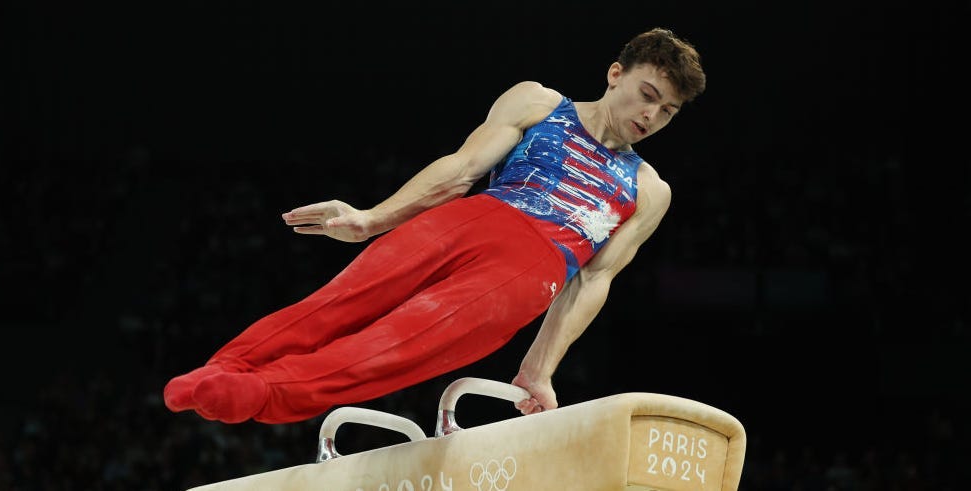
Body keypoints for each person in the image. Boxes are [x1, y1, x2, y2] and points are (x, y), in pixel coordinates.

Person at [163, 27, 706, 424]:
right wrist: (372, 219)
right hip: (473, 218)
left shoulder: (648, 191)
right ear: (616, 75)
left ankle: (262, 392)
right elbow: (462, 169)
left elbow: (592, 281)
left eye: (668, 111)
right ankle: (224, 367)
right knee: (338, 303)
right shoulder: (540, 103)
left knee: (394, 345)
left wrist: (538, 368)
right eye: (648, 95)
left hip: (529, 269)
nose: (651, 116)